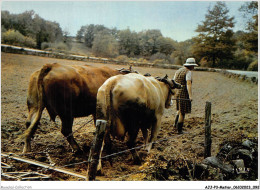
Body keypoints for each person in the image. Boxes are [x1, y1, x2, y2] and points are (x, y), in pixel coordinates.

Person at [173, 58, 198, 134]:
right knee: (182, 112)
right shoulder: (188, 72)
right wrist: (190, 96)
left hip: (177, 92)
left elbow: (174, 81)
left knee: (179, 110)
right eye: (193, 65)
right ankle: (179, 130)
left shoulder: (178, 71)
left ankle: (175, 125)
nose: (193, 67)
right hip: (183, 92)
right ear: (190, 66)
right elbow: (188, 84)